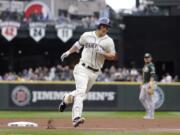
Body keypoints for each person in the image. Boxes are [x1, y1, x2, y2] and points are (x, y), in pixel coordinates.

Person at [59, 17, 117, 127]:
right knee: (81, 92)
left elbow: (113, 56)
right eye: (103, 26)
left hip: (95, 72)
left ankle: (66, 99)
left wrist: (103, 53)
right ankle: (76, 118)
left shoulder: (109, 41)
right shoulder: (87, 35)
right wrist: (68, 52)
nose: (105, 28)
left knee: (81, 94)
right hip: (82, 68)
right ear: (99, 25)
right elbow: (78, 45)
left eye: (107, 27)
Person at [139, 53, 156, 119]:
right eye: (145, 57)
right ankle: (148, 111)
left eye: (148, 57)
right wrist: (142, 83)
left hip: (149, 83)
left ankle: (151, 115)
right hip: (144, 83)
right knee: (141, 98)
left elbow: (152, 75)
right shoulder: (145, 65)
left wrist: (151, 83)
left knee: (150, 100)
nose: (146, 58)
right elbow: (144, 76)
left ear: (150, 58)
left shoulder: (151, 65)